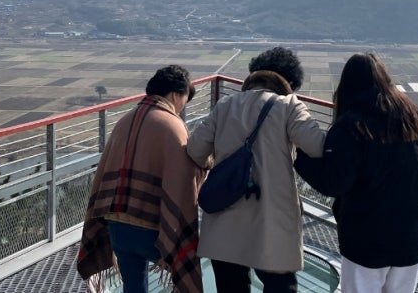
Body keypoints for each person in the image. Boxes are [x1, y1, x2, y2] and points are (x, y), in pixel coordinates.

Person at [187, 47, 326, 293]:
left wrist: (218, 163)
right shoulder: (289, 106)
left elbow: (195, 149)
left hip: (224, 219)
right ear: (290, 82)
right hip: (271, 221)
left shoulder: (225, 104)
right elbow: (317, 147)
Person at [295, 52, 418, 293]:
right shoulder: (414, 117)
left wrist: (298, 156)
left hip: (368, 238)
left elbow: (333, 182)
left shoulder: (351, 126)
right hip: (413, 235)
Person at [77, 65, 205, 293]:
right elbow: (185, 178)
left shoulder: (124, 120)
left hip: (117, 227)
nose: (183, 106)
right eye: (186, 98)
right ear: (175, 95)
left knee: (134, 286)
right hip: (152, 231)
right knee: (183, 273)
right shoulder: (173, 126)